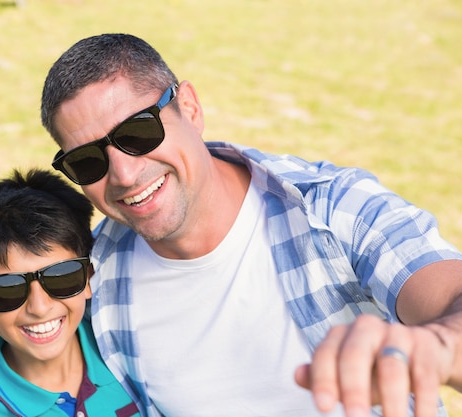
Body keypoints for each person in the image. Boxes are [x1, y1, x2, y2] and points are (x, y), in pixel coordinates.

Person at [39, 33, 462, 417]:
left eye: (138, 131)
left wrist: (436, 347)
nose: (125, 176)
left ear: (189, 107)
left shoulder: (334, 207)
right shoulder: (93, 274)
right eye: (87, 161)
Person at [0, 169, 139, 417]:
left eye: (61, 277)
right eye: (8, 289)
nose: (39, 307)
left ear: (88, 278)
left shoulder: (131, 352)